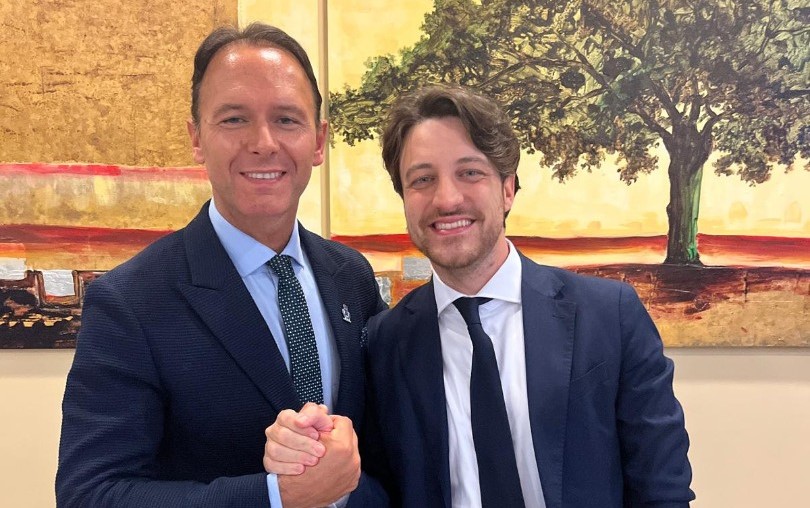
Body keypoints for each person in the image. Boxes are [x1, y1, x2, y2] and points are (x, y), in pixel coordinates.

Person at [263, 84, 695, 507]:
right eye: (422, 179)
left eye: (469, 172)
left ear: (507, 189)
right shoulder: (385, 342)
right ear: (405, 199)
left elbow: (663, 491)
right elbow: (383, 489)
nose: (446, 199)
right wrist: (324, 469)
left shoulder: (609, 316)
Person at [56, 23, 387, 508]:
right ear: (197, 138)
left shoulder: (352, 277)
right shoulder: (130, 303)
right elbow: (91, 495)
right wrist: (274, 496)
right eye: (234, 119)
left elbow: (382, 452)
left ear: (318, 141)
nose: (263, 142)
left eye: (287, 119)